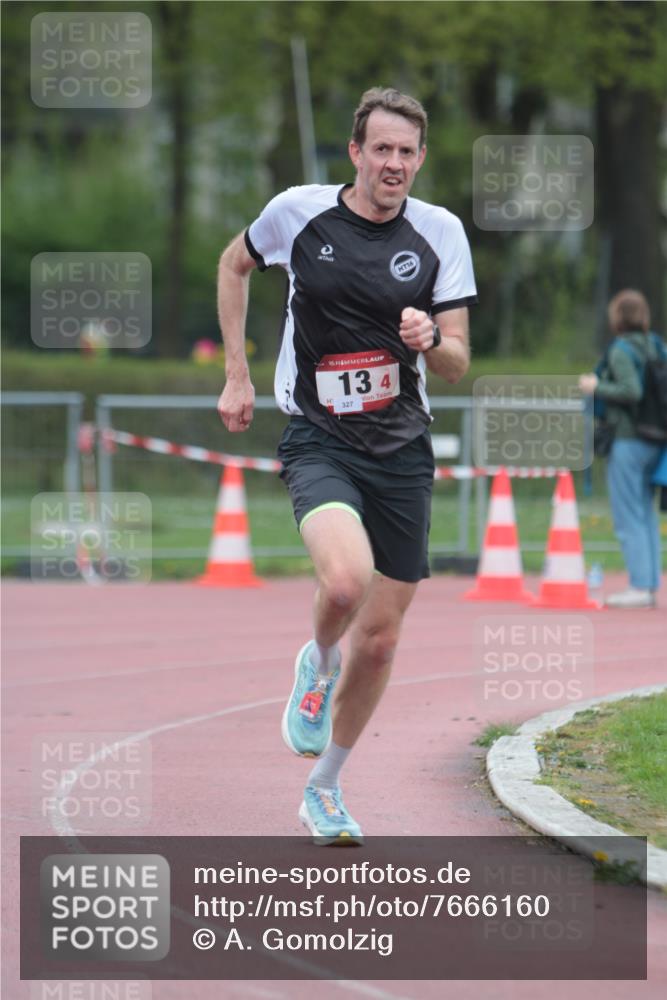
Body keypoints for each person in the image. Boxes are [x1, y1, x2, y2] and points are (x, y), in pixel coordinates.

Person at [216, 87, 477, 843]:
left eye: (407, 152)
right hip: (319, 434)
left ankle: (323, 788)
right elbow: (233, 267)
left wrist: (432, 337)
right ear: (356, 153)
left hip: (401, 446)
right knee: (343, 581)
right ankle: (316, 658)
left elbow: (458, 362)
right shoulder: (297, 212)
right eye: (382, 149)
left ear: (420, 159)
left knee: (384, 640)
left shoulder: (439, 233)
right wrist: (236, 372)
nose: (394, 164)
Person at [579, 289, 663, 608]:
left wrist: (596, 386)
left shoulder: (621, 350)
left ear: (617, 317)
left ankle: (640, 586)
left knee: (628, 514)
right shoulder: (656, 345)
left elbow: (632, 390)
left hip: (629, 439)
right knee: (645, 514)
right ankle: (649, 583)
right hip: (655, 439)